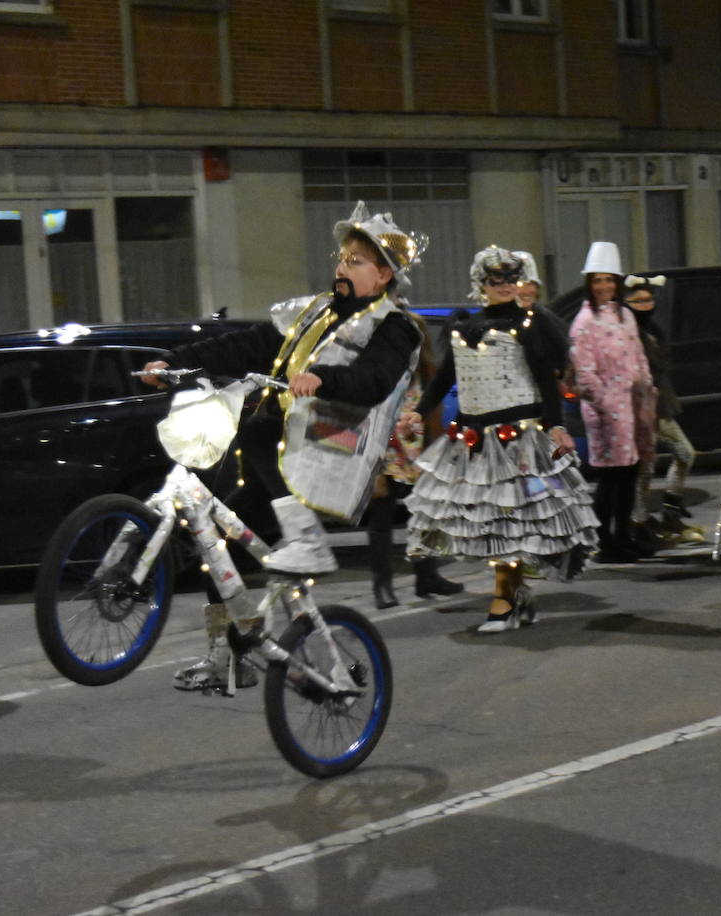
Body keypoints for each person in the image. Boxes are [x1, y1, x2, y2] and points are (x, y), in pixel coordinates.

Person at [141, 201, 425, 687]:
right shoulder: (313, 310)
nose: (342, 266)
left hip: (332, 455)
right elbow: (244, 344)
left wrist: (323, 378)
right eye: (342, 258)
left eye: (356, 261)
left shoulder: (394, 327)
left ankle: (307, 542)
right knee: (218, 550)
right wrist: (174, 362)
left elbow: (374, 380)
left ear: (383, 276)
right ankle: (226, 659)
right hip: (285, 457)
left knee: (256, 432)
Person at [402, 246, 597, 633]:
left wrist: (557, 428)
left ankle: (504, 601)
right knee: (494, 525)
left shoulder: (531, 325)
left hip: (520, 441)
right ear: (482, 285)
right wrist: (418, 412)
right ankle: (516, 595)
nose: (505, 286)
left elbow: (546, 380)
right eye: (497, 280)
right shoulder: (462, 328)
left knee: (512, 523)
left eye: (511, 279)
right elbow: (443, 379)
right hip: (474, 442)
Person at [569, 241, 657, 563]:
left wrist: (647, 389)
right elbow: (584, 374)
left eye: (609, 280)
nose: (604, 286)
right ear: (589, 284)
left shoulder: (625, 316)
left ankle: (623, 534)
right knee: (611, 478)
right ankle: (602, 540)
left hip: (633, 407)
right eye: (598, 280)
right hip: (607, 412)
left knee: (630, 473)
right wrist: (607, 405)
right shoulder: (584, 322)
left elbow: (638, 356)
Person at [368, 317, 464, 609]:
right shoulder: (376, 371)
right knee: (381, 519)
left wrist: (434, 453)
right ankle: (382, 587)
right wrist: (374, 470)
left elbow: (433, 413)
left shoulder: (425, 369)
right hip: (384, 454)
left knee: (425, 515)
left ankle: (427, 576)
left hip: (418, 453)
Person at [622, 273, 701, 544]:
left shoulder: (654, 330)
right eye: (637, 301)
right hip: (640, 410)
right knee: (644, 467)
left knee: (685, 454)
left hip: (660, 406)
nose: (644, 305)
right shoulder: (628, 332)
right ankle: (639, 521)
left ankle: (670, 509)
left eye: (648, 300)